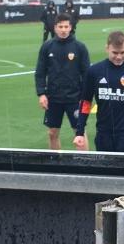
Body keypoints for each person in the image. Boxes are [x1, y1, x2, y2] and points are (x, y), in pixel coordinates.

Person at [35, 12, 90, 150]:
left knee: (80, 134)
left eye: (66, 26)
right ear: (55, 28)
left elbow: (87, 74)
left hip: (75, 98)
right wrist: (41, 93)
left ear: (71, 27)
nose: (64, 30)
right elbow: (40, 72)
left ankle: (85, 165)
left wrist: (85, 97)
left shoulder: (80, 47)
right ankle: (55, 162)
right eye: (61, 26)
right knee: (52, 133)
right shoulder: (47, 47)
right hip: (53, 98)